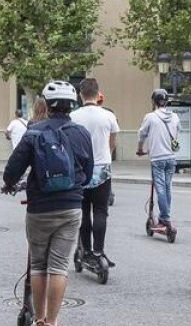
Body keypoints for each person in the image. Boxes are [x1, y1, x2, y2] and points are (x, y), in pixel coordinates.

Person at [2, 81, 93, 326]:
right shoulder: (81, 133)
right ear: (71, 104)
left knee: (39, 265)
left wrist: (9, 185)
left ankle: (39, 321)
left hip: (40, 207)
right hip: (71, 207)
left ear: (47, 104)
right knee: (59, 267)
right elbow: (89, 169)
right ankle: (53, 324)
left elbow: (13, 169)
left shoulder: (34, 132)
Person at [70, 78, 120, 267]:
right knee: (100, 211)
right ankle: (99, 251)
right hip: (102, 169)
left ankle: (86, 250)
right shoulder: (108, 116)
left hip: (81, 169)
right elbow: (113, 141)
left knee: (83, 211)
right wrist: (105, 154)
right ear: (98, 93)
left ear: (80, 94)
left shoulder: (74, 117)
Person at [136, 88, 180, 228]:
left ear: (154, 101)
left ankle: (165, 218)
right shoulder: (175, 117)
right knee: (167, 188)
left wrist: (140, 149)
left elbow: (142, 135)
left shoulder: (150, 117)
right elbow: (176, 133)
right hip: (171, 157)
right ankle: (164, 216)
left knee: (160, 188)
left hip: (157, 158)